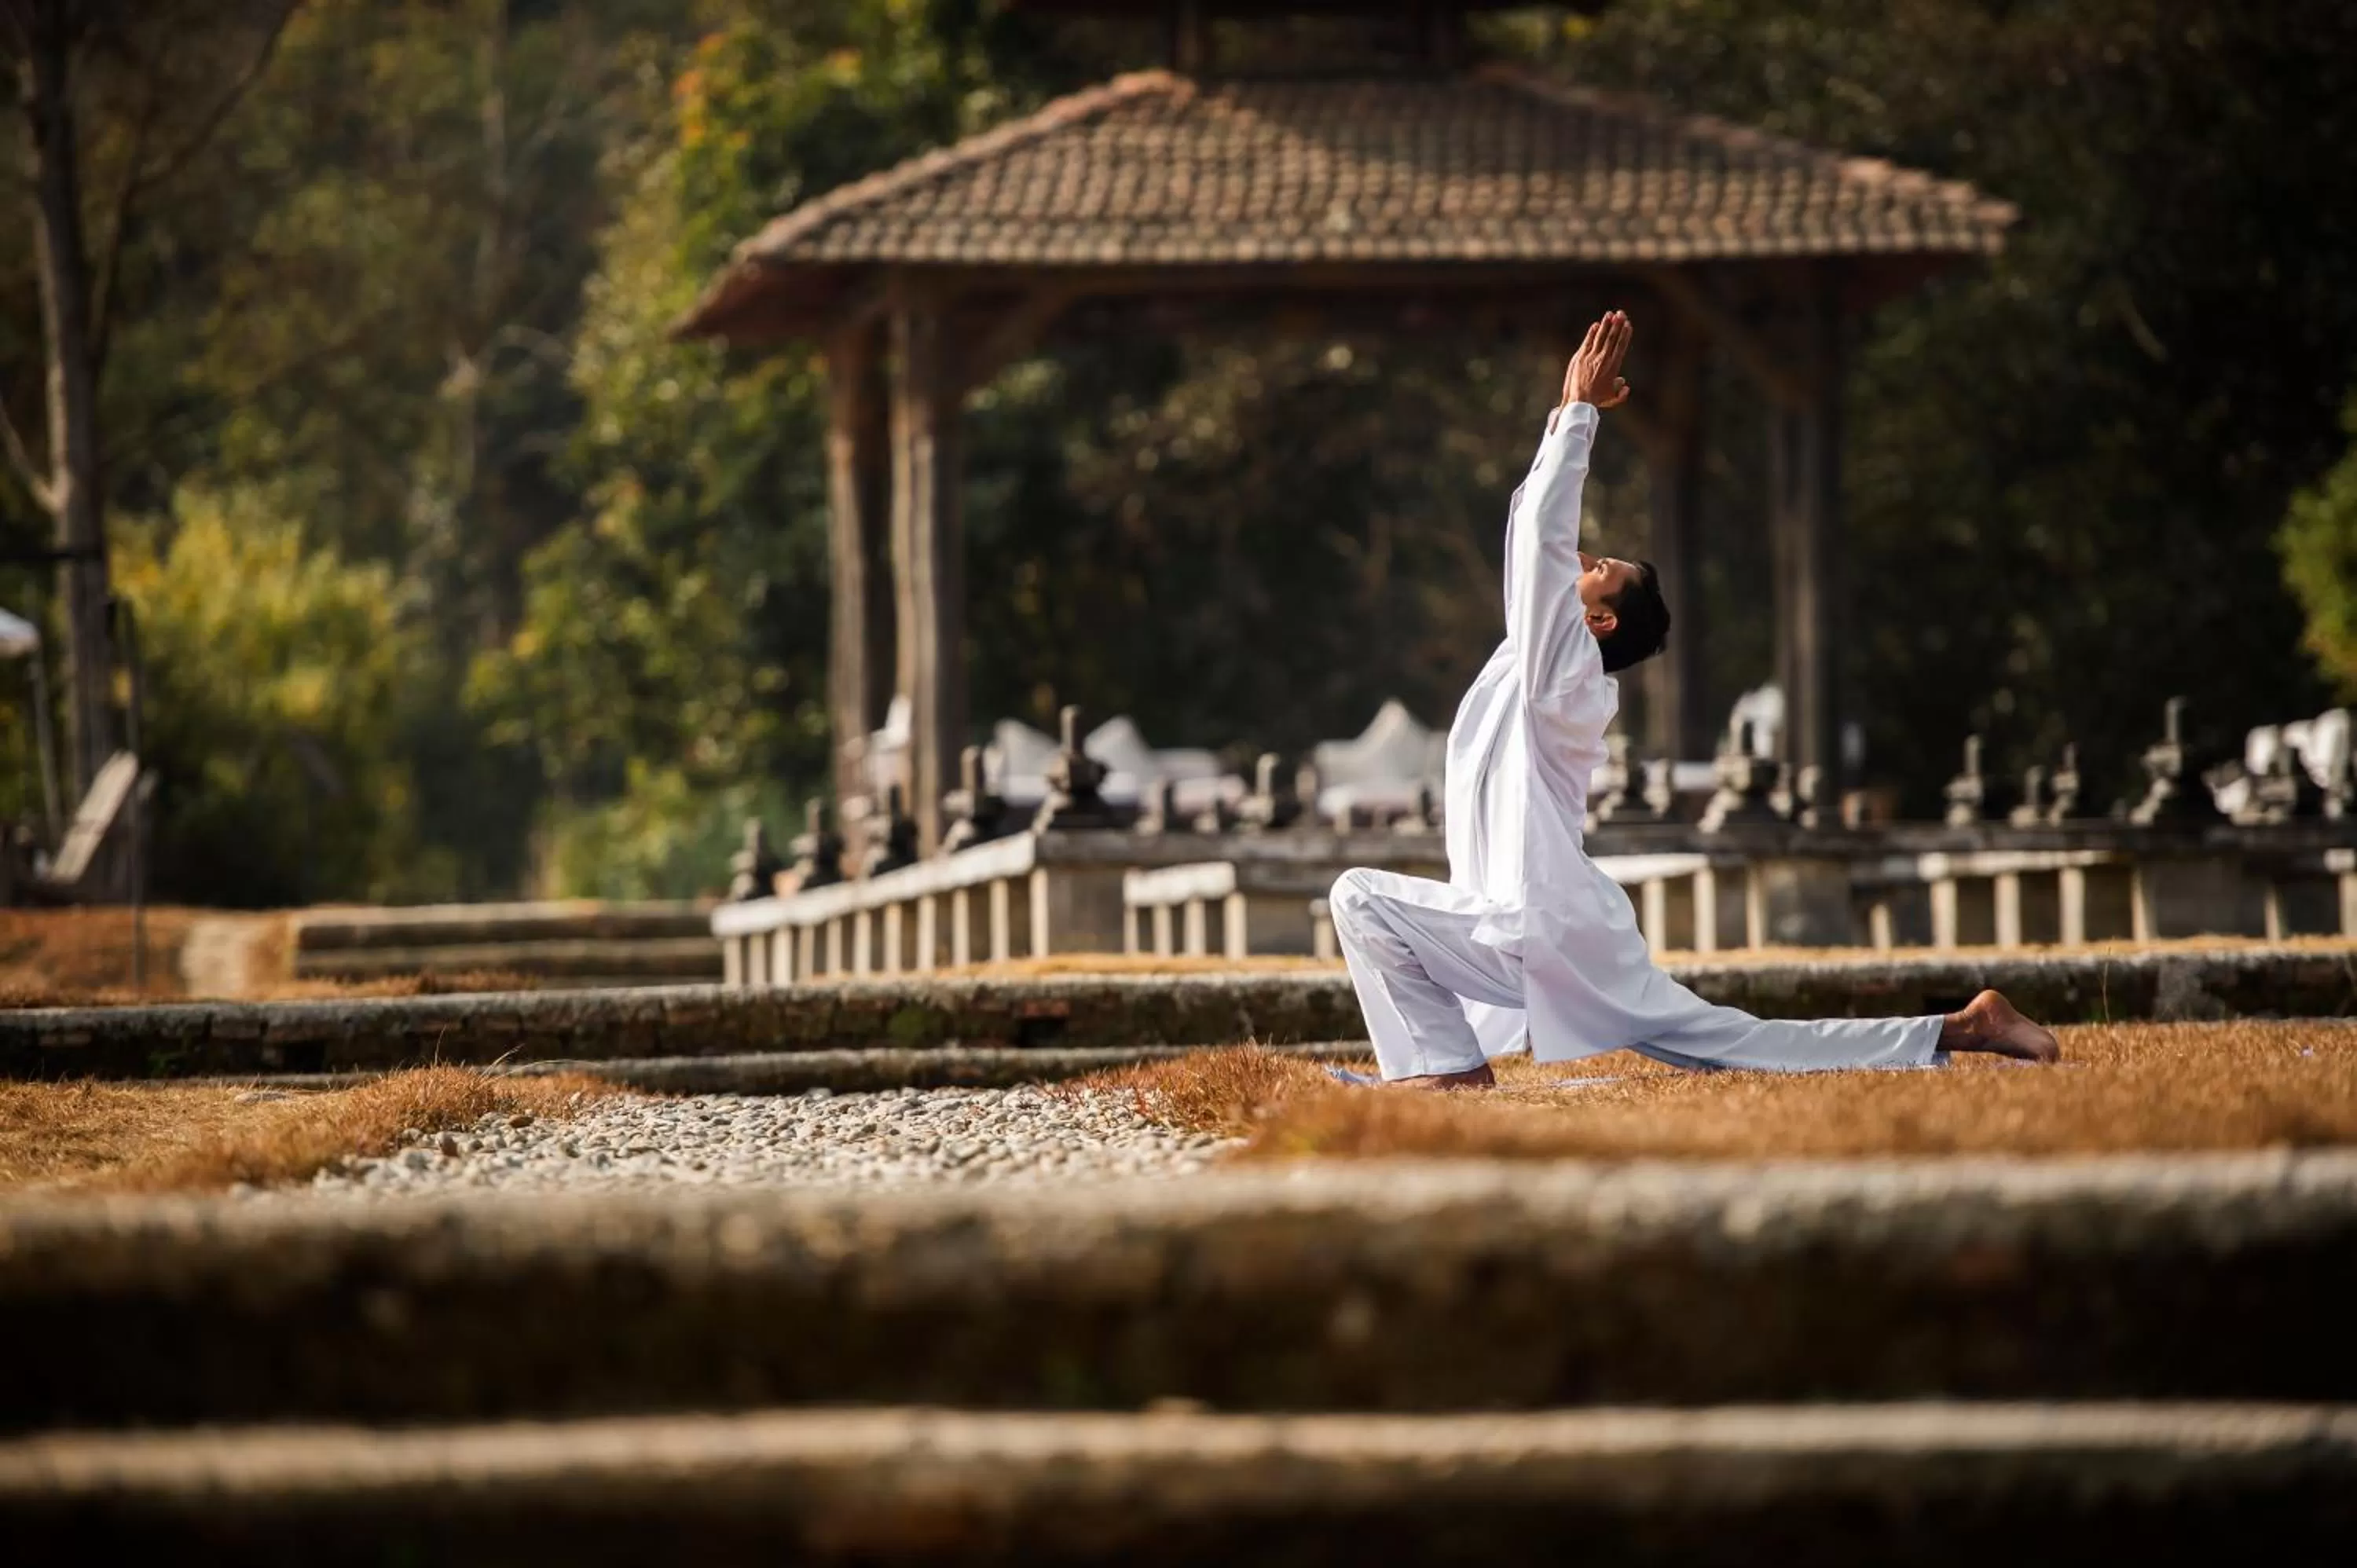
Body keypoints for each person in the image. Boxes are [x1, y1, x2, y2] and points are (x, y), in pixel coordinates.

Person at [1329, 310, 2059, 1088]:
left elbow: (1541, 536)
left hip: (1535, 930)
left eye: (1597, 565)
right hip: (1551, 929)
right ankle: (1964, 1026)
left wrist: (1579, 414)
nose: (1579, 557)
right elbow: (1525, 536)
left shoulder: (1565, 674)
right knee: (1743, 1042)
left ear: (1598, 619)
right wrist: (1561, 418)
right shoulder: (1533, 660)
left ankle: (1447, 1070)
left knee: (1360, 899)